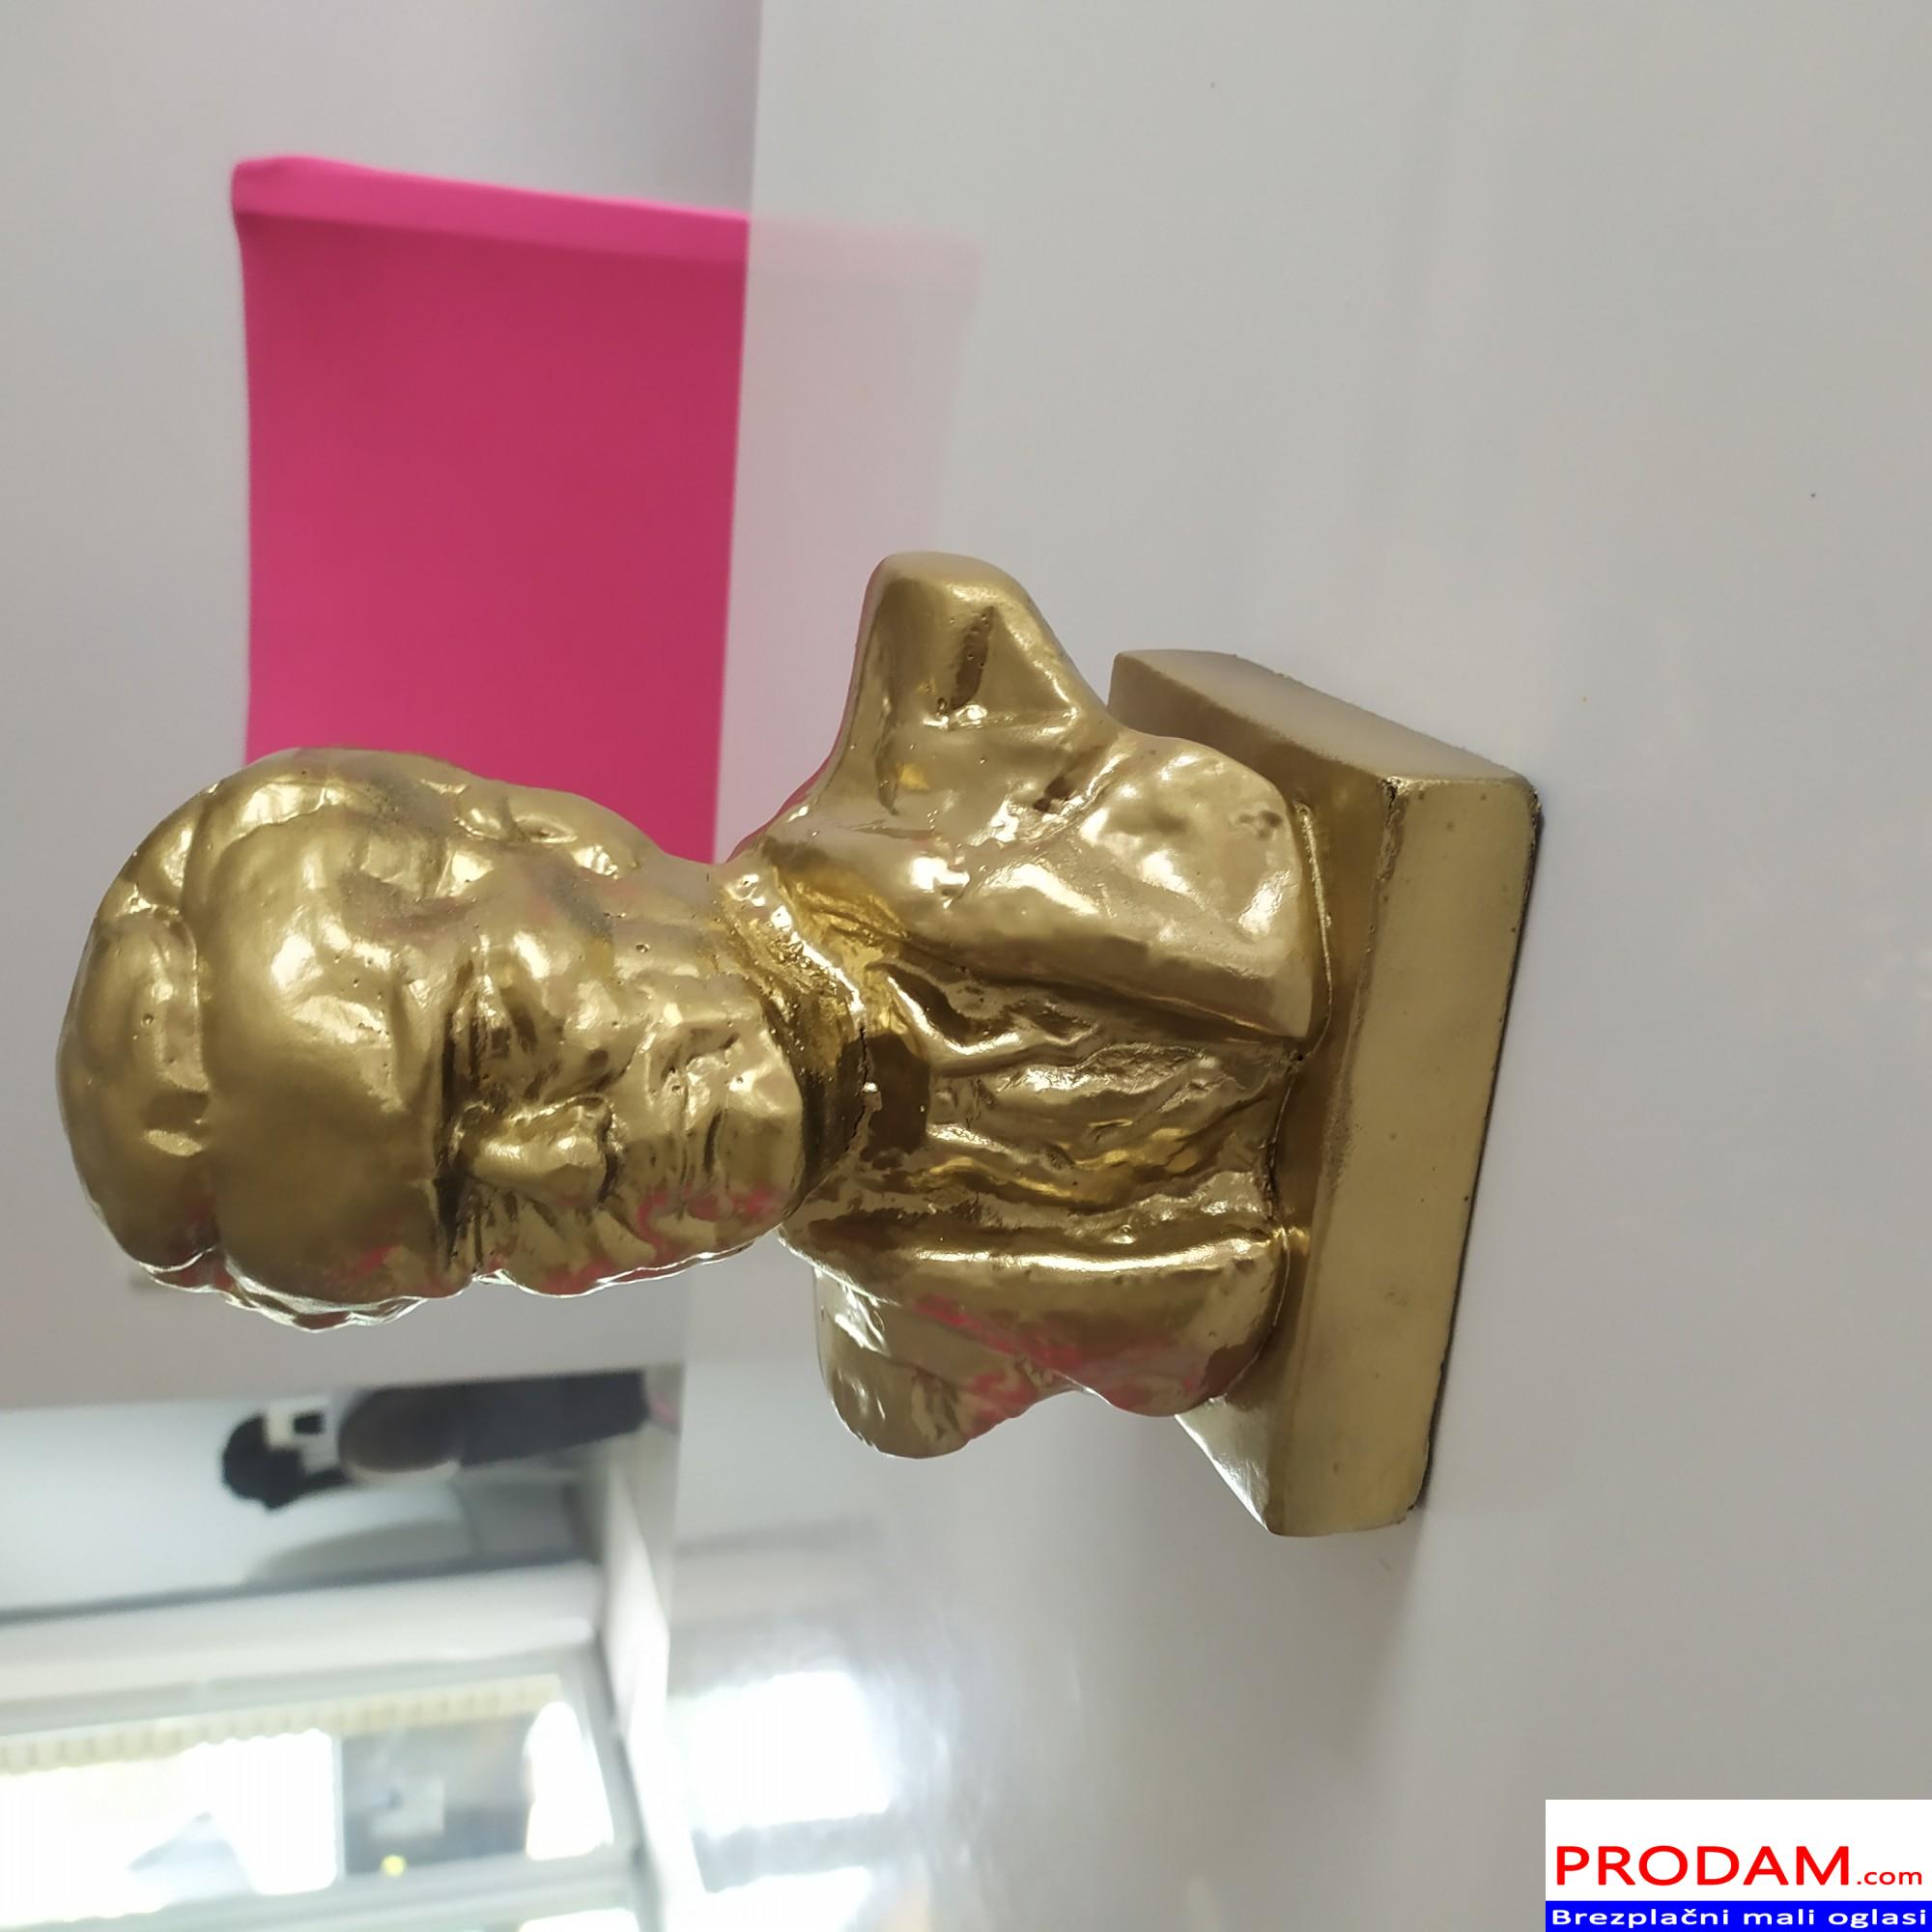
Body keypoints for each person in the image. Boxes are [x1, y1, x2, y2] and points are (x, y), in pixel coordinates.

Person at [58, 556, 1323, 1456]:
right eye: (475, 1222)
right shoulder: (914, 1380)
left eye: (490, 1053)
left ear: (549, 835)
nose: (559, 1163)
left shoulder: (963, 694)